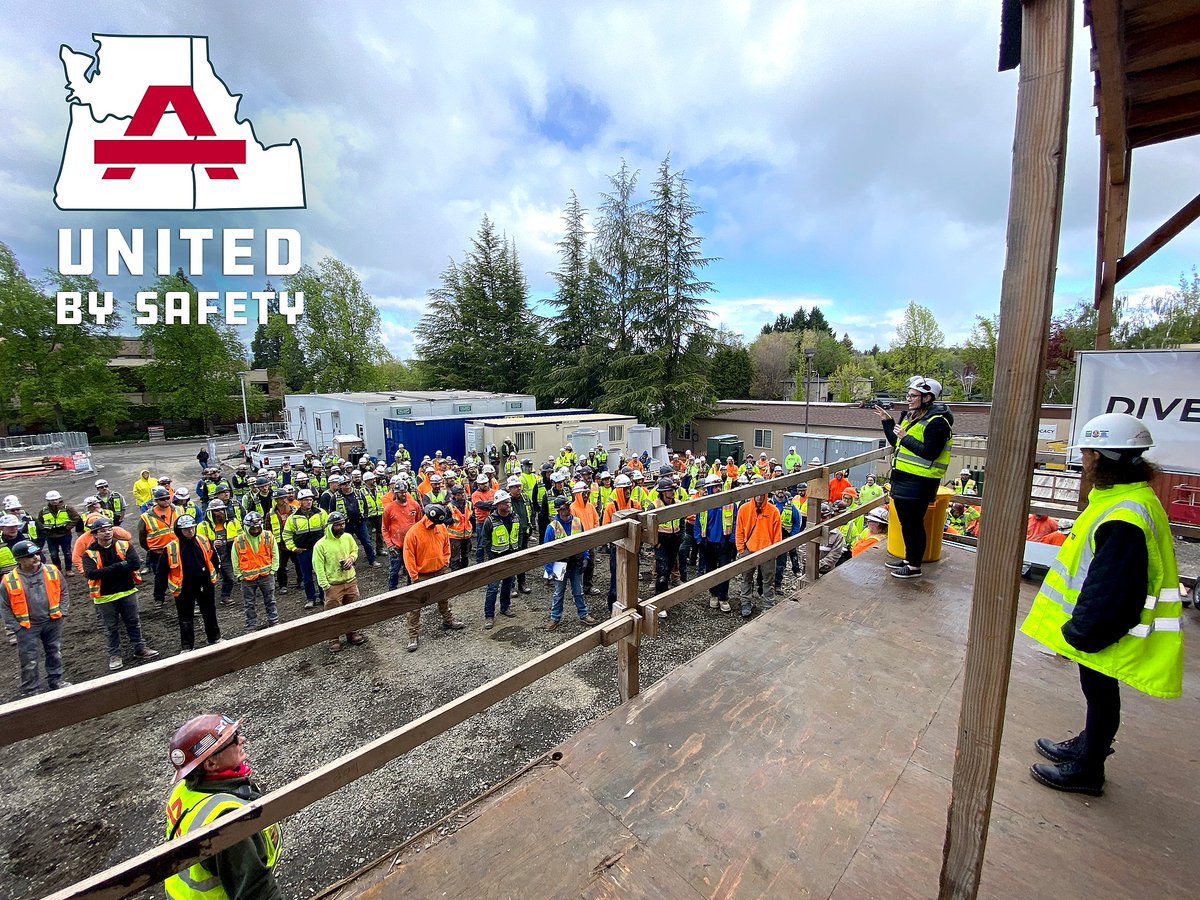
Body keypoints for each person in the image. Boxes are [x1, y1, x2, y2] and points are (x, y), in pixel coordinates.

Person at [1020, 414, 1182, 796]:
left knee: (1101, 693)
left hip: (1106, 630)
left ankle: (1089, 768)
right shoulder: (1128, 499)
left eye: (1088, 453)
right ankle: (1089, 743)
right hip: (1108, 627)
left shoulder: (1124, 515)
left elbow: (1114, 588)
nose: (1085, 461)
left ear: (1101, 456)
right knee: (1099, 694)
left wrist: (1081, 631)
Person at [165, 714, 283, 900]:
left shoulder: (184, 789)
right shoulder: (226, 818)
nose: (242, 740)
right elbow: (257, 892)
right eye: (233, 739)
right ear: (211, 763)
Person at [873, 375, 953, 580]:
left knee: (914, 525)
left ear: (927, 398)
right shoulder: (917, 418)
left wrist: (905, 437)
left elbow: (930, 453)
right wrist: (887, 422)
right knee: (906, 524)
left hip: (920, 483)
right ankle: (909, 560)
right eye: (908, 395)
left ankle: (914, 566)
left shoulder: (937, 423)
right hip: (904, 482)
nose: (909, 399)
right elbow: (897, 443)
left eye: (913, 396)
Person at [80, 517, 159, 671]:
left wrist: (108, 570)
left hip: (127, 592)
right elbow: (92, 574)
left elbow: (135, 563)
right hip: (105, 597)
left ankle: (140, 648)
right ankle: (114, 655)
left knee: (133, 622)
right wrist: (121, 565)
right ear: (95, 534)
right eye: (102, 531)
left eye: (109, 529)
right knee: (110, 628)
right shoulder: (89, 554)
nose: (107, 532)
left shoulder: (124, 545)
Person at [1, 539, 70, 695]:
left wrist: (62, 612)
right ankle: (31, 689)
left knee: (54, 652)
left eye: (36, 553)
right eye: (30, 556)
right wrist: (17, 627)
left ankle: (56, 681)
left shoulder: (52, 571)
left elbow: (63, 591)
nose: (36, 558)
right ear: (19, 560)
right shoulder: (9, 581)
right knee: (29, 659)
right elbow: (4, 607)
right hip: (27, 626)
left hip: (52, 621)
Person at [403, 504, 466, 652]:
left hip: (440, 571)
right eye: (435, 523)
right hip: (422, 575)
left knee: (444, 597)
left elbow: (446, 546)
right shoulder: (413, 533)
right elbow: (408, 556)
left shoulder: (441, 527)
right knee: (415, 606)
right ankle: (413, 635)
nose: (437, 526)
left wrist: (445, 562)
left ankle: (448, 620)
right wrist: (415, 577)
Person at [166, 515, 221, 652]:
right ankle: (187, 646)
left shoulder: (203, 540)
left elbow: (213, 557)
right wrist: (158, 595)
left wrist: (215, 573)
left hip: (205, 584)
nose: (190, 531)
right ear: (179, 531)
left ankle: (214, 638)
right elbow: (162, 571)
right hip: (184, 588)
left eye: (192, 528)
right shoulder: (172, 548)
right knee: (185, 617)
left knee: (209, 612)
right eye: (186, 529)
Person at [543, 496, 599, 629]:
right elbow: (547, 551)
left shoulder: (578, 522)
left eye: (568, 507)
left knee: (578, 591)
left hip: (576, 562)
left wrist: (585, 557)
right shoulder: (552, 528)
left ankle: (583, 614)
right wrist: (549, 570)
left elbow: (583, 542)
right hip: (559, 564)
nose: (567, 510)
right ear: (558, 511)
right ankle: (555, 617)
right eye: (564, 508)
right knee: (558, 592)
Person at [313, 512, 366, 651]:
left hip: (350, 580)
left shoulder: (348, 537)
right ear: (330, 526)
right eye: (337, 525)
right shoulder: (320, 545)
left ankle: (352, 633)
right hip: (333, 585)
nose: (341, 527)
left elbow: (355, 550)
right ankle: (333, 639)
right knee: (332, 613)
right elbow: (318, 567)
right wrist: (325, 586)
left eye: (342, 524)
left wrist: (351, 559)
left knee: (352, 609)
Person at [734, 476, 783, 617]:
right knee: (746, 578)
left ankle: (768, 605)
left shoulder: (773, 511)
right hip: (749, 550)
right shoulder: (744, 509)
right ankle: (745, 603)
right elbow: (739, 531)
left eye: (762, 492)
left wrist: (774, 552)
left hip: (767, 551)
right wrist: (741, 549)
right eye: (757, 492)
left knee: (768, 580)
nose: (759, 496)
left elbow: (777, 535)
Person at [232, 512, 279, 632]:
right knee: (249, 604)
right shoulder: (239, 540)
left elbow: (275, 553)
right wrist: (239, 575)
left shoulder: (268, 536)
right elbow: (235, 558)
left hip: (266, 575)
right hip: (247, 579)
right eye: (253, 528)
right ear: (247, 528)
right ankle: (251, 625)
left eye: (258, 527)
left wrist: (273, 570)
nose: (256, 530)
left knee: (270, 600)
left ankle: (273, 620)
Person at [281, 489, 327, 610]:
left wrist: (326, 545)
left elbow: (327, 529)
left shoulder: (321, 513)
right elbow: (286, 535)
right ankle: (310, 598)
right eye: (306, 500)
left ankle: (324, 597)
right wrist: (293, 548)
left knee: (321, 574)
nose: (309, 502)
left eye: (310, 499)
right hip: (303, 551)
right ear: (300, 501)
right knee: (306, 576)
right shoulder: (293, 518)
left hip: (319, 550)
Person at [481, 489, 520, 629]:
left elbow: (517, 534)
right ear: (498, 505)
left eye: (508, 502)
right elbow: (485, 541)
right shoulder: (490, 521)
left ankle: (505, 607)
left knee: (508, 584)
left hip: (511, 556)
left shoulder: (514, 517)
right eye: (505, 502)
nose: (508, 504)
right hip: (496, 558)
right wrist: (491, 558)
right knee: (492, 588)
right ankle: (489, 615)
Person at [140, 486, 179, 606]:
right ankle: (159, 598)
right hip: (158, 553)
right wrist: (151, 548)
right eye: (163, 499)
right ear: (156, 501)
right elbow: (142, 537)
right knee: (160, 576)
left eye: (168, 498)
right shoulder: (146, 517)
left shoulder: (178, 510)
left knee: (180, 573)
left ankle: (180, 593)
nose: (166, 501)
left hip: (176, 550)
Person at [383, 480, 423, 589]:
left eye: (405, 491)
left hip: (411, 544)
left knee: (411, 568)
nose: (404, 494)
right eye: (401, 492)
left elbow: (420, 524)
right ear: (395, 493)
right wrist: (390, 546)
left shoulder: (415, 505)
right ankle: (392, 590)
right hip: (396, 546)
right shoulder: (389, 508)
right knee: (394, 569)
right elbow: (385, 528)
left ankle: (411, 589)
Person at [38, 490, 83, 575]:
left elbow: (76, 518)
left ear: (59, 499)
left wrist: (67, 527)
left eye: (56, 499)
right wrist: (46, 530)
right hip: (51, 536)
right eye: (52, 500)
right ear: (48, 501)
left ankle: (68, 569)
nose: (54, 501)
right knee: (53, 554)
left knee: (67, 553)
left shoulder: (67, 509)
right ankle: (58, 570)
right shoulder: (43, 511)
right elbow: (40, 523)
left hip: (65, 535)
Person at [772, 485, 804, 591]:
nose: (781, 491)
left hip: (784, 537)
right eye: (779, 488)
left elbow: (796, 522)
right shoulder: (769, 504)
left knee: (781, 563)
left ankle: (777, 585)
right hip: (770, 538)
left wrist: (793, 536)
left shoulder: (790, 506)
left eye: (783, 489)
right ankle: (762, 585)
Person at [446, 484, 474, 571]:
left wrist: (471, 518)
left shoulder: (469, 504)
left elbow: (472, 518)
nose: (461, 496)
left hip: (467, 535)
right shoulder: (450, 507)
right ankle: (455, 574)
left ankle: (464, 572)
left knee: (465, 556)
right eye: (458, 494)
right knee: (455, 557)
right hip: (454, 537)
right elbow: (445, 521)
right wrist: (453, 520)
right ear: (454, 496)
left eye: (462, 493)